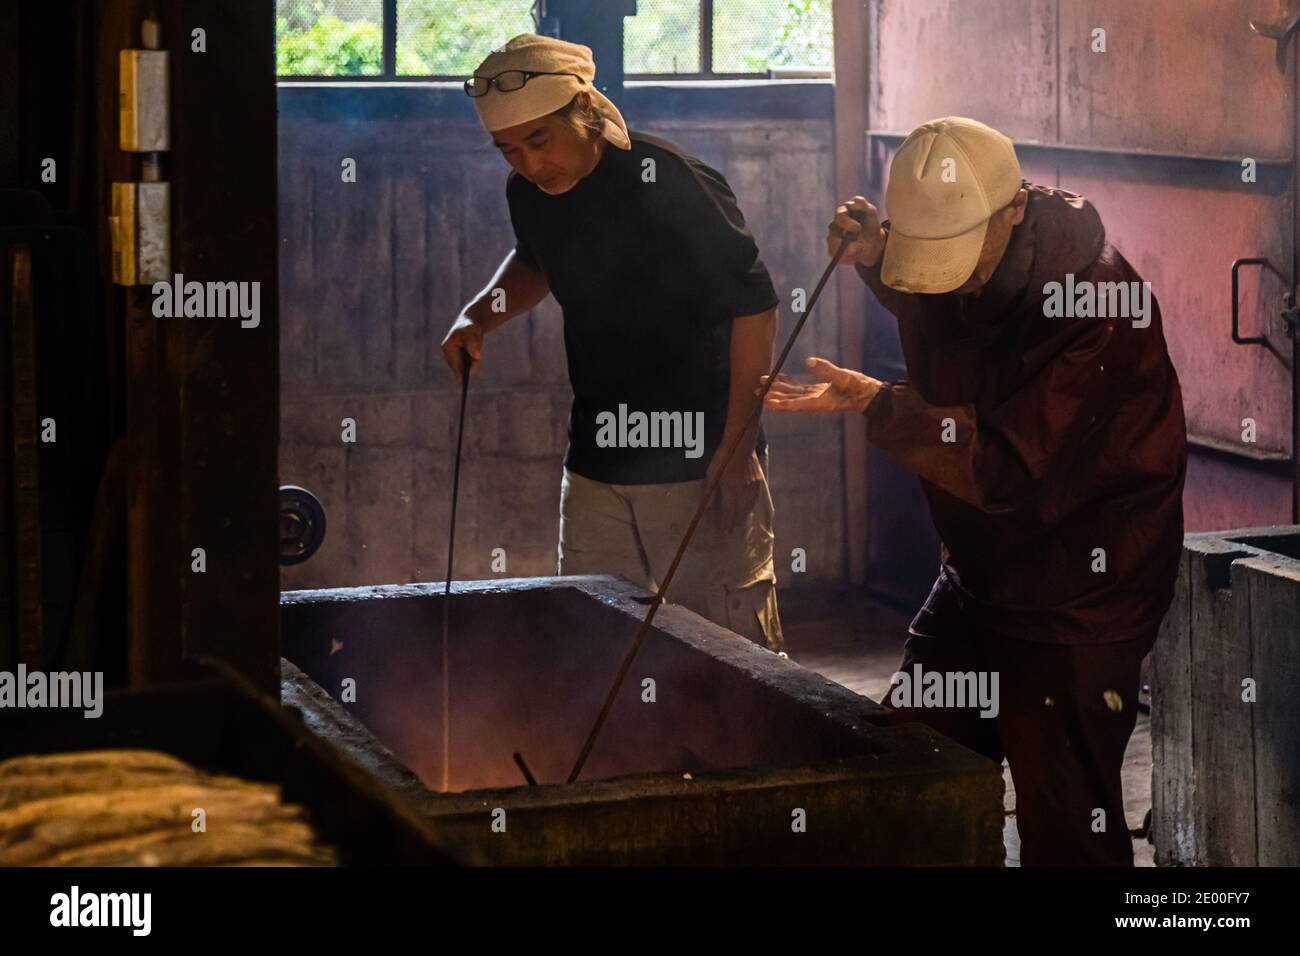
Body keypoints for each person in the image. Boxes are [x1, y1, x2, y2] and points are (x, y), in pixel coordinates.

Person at [764, 116, 1187, 865]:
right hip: (981, 574)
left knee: (1066, 822)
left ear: (1013, 208)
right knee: (907, 765)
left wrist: (878, 403)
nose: (945, 276)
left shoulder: (1097, 306)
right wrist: (876, 257)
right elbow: (942, 294)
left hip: (1076, 596)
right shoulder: (975, 255)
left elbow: (1008, 465)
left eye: (956, 254)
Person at [441, 34, 784, 650]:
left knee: (726, 649)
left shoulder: (670, 179)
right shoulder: (530, 194)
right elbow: (535, 263)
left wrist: (735, 450)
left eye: (539, 140)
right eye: (507, 150)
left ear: (585, 112)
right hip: (598, 455)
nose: (526, 164)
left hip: (696, 452)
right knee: (592, 639)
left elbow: (754, 309)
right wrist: (478, 316)